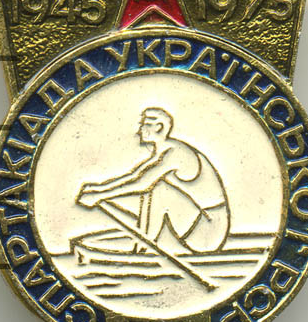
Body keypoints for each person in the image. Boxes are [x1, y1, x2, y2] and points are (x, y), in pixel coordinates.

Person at [76, 107, 230, 254]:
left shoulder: (176, 153)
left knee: (159, 189)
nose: (139, 130)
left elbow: (143, 184)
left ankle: (144, 248)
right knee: (154, 189)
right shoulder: (162, 151)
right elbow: (134, 176)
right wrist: (98, 189)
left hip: (209, 230)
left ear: (159, 127)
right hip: (200, 225)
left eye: (145, 125)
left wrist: (100, 196)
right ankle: (142, 245)